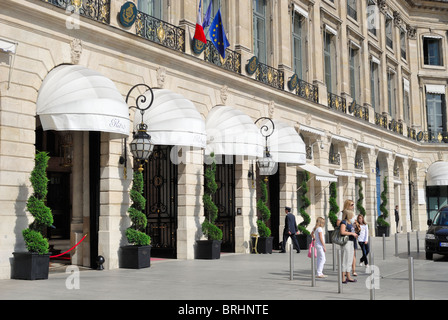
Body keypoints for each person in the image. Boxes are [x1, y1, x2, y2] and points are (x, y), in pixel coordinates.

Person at [339, 209, 358, 283]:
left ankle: (349, 276)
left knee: (350, 259)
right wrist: (352, 233)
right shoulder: (344, 222)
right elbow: (342, 232)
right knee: (345, 259)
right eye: (352, 214)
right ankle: (343, 277)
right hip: (346, 242)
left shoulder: (350, 222)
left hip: (351, 241)